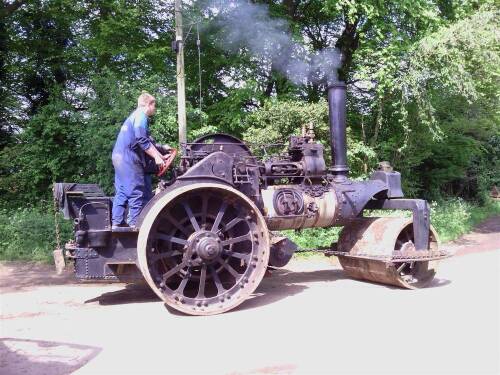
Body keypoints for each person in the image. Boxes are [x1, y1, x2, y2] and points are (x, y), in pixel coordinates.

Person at [111, 92, 170, 228]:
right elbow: (141, 139)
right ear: (148, 104)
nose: (155, 109)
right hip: (128, 157)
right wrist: (156, 157)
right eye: (154, 106)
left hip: (118, 156)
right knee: (137, 191)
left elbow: (146, 141)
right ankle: (135, 226)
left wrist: (161, 154)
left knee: (122, 191)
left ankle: (117, 223)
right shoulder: (141, 116)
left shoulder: (133, 116)